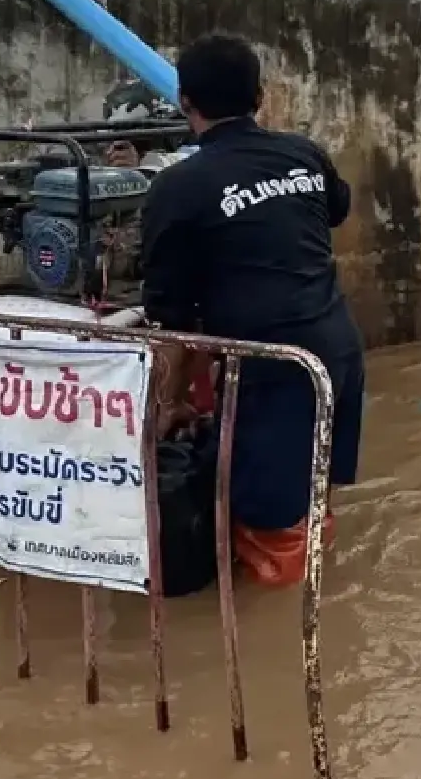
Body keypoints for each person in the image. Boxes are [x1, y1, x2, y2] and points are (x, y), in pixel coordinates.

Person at [138, 33, 365, 587]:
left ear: (184, 102)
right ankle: (327, 600)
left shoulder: (177, 186)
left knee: (273, 534)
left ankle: (280, 627)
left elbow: (174, 323)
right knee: (311, 496)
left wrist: (167, 403)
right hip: (337, 351)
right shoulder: (303, 153)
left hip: (272, 368)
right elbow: (335, 209)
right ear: (260, 96)